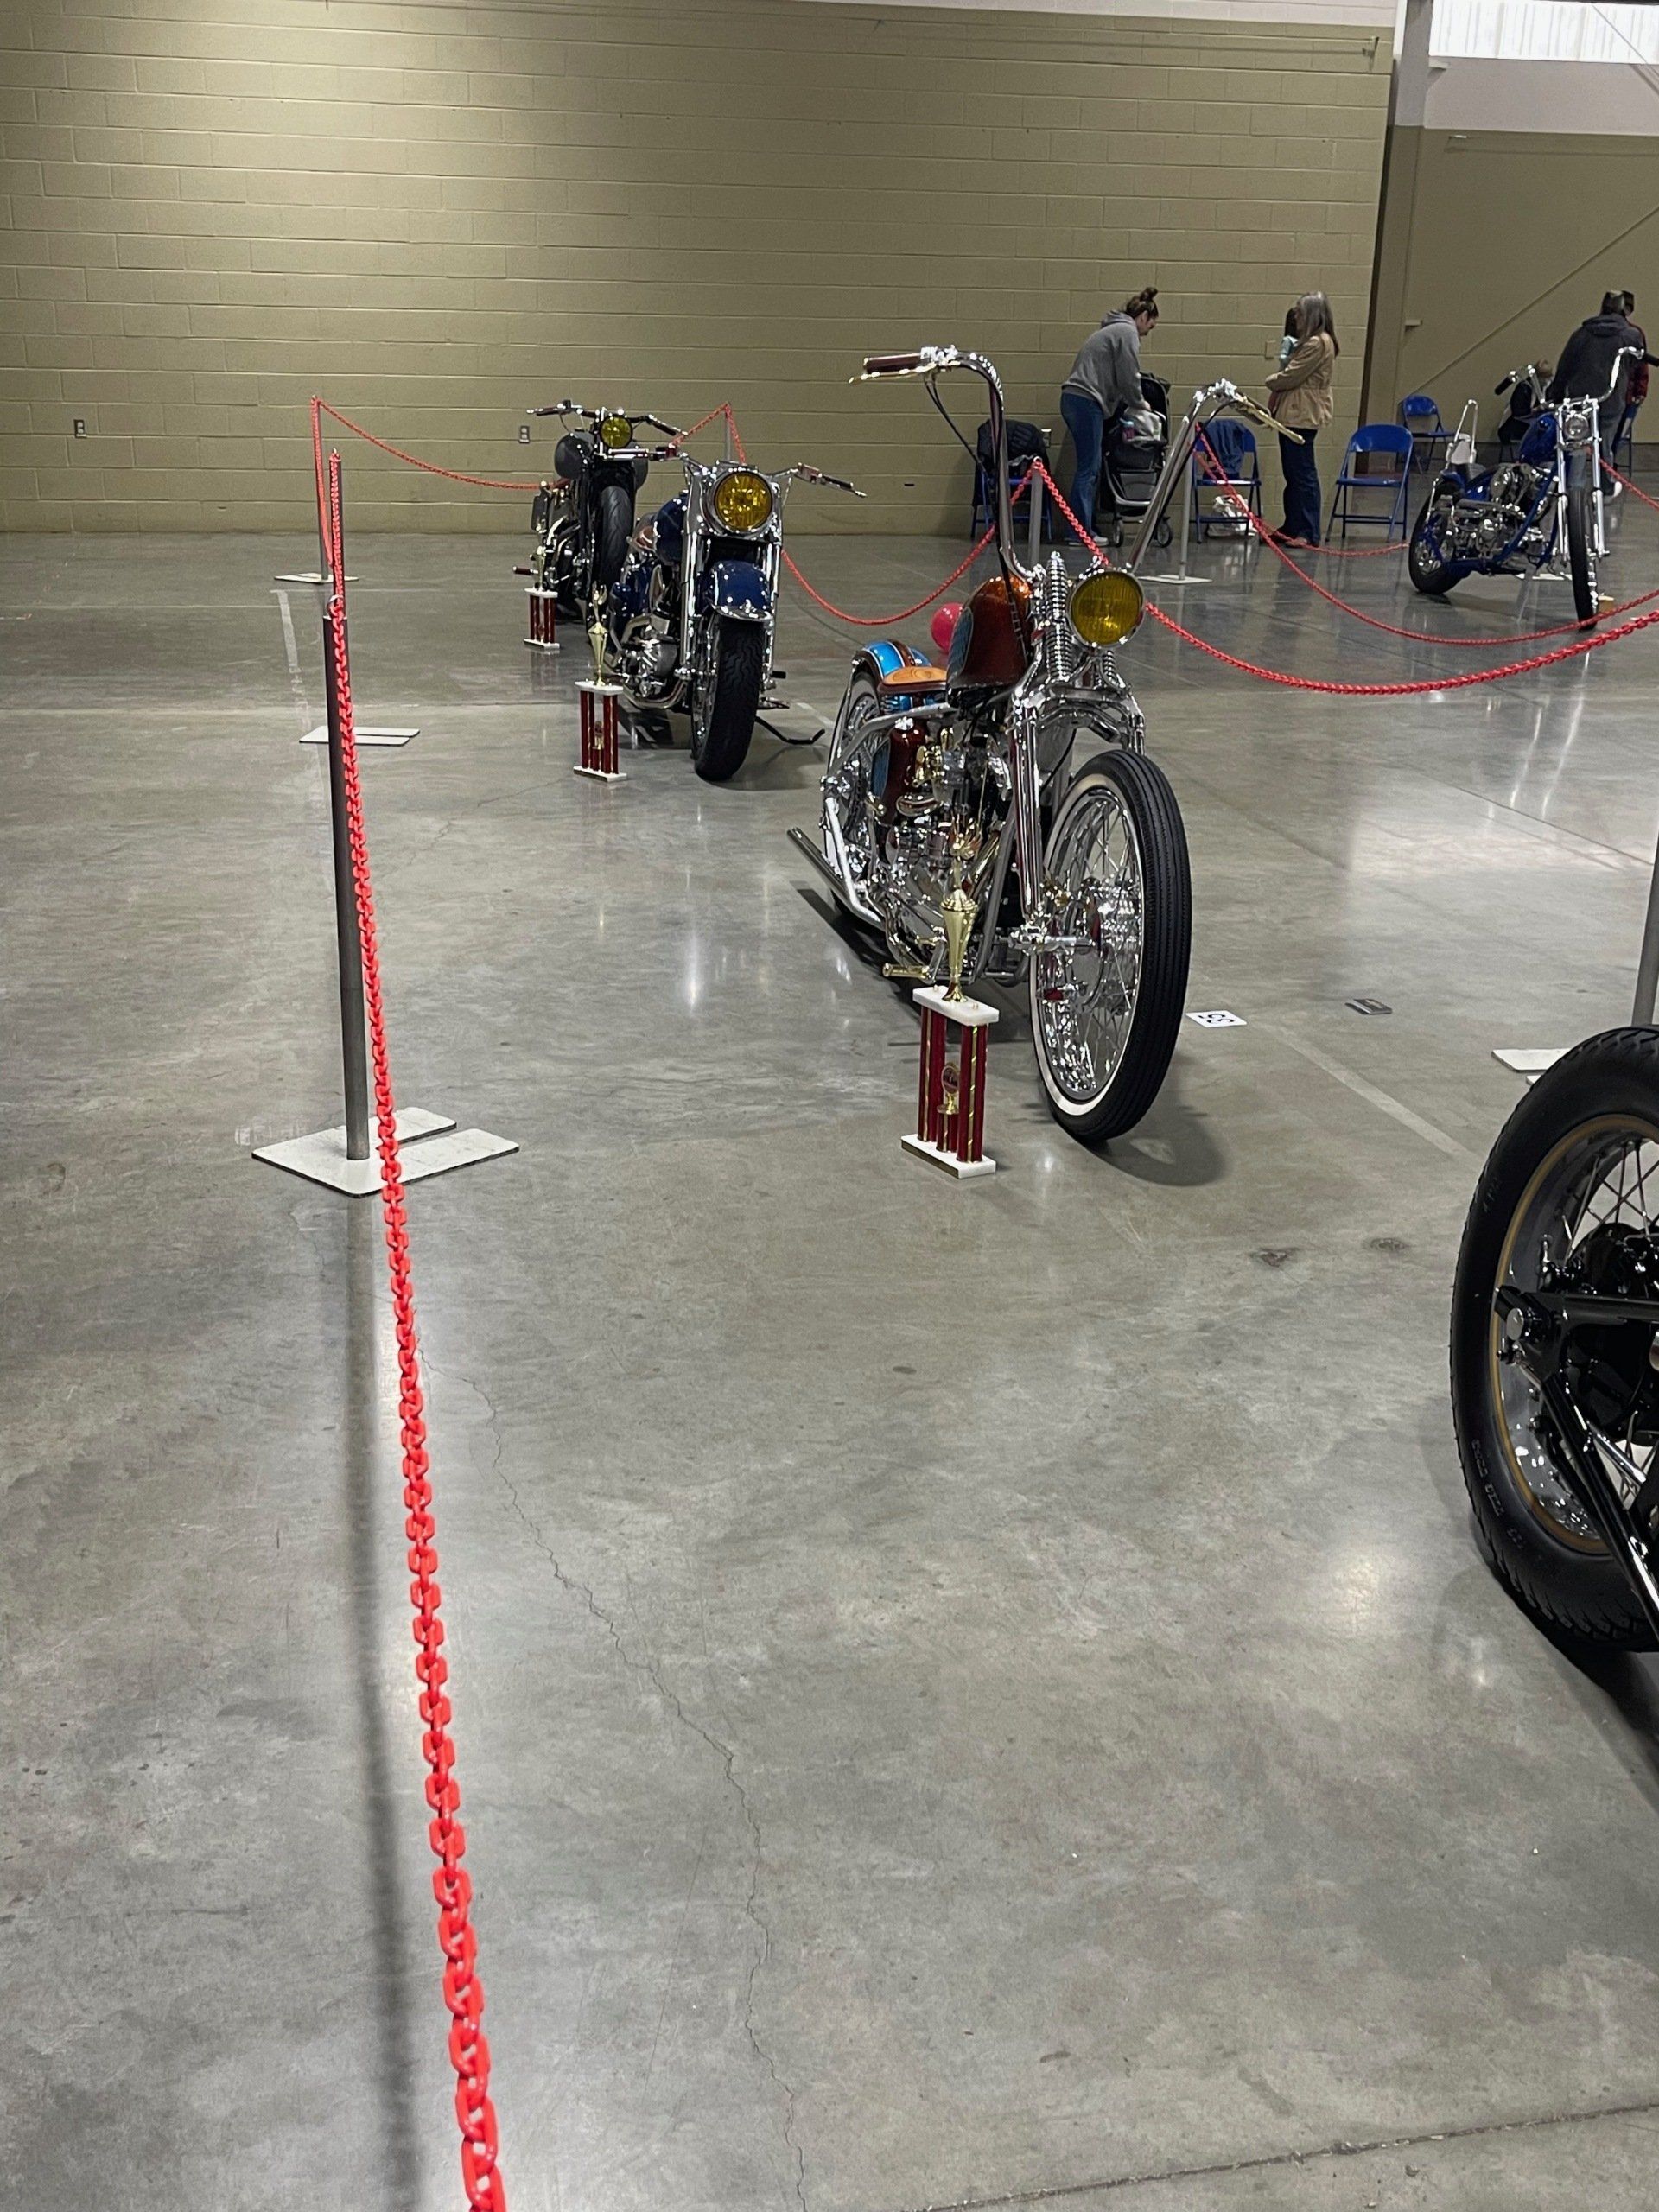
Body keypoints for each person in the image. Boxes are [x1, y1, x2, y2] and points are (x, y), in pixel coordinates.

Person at [1061, 286, 1159, 527]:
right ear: (1143, 317)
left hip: (1077, 399)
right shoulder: (1127, 333)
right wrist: (1141, 404)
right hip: (1086, 400)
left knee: (1089, 466)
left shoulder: (1112, 330)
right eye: (1150, 326)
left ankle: (1082, 529)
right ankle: (1081, 533)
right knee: (1089, 469)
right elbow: (1129, 375)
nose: (1147, 333)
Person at [1264, 291, 1338, 547]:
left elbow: (1292, 375)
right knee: (1292, 474)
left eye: (1300, 312)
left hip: (1303, 416)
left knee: (1304, 473)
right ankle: (1292, 526)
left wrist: (1271, 382)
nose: (1296, 317)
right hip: (1293, 413)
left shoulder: (1318, 343)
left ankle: (1308, 531)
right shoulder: (1307, 342)